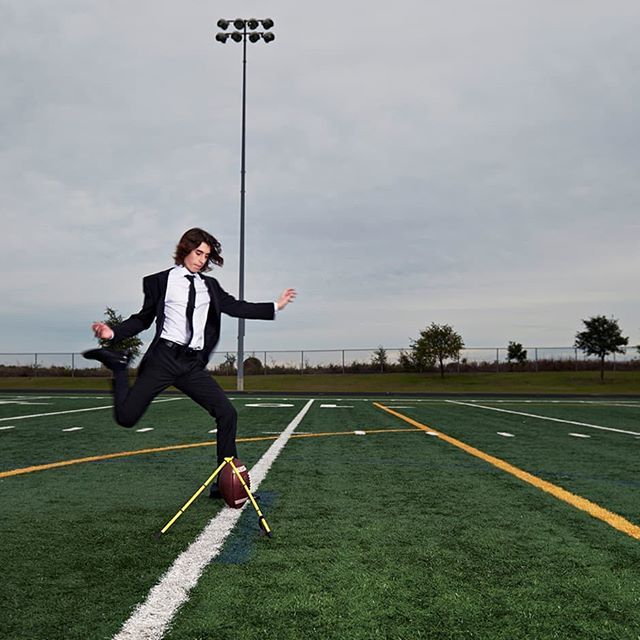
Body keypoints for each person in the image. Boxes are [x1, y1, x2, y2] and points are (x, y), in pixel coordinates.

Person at [83, 227, 296, 497]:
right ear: (185, 249)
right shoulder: (159, 281)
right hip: (163, 359)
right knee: (126, 417)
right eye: (198, 253)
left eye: (206, 256)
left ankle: (224, 482)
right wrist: (112, 333)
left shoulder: (210, 287)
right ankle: (119, 366)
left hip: (191, 364)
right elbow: (143, 319)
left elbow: (236, 307)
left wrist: (275, 306)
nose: (201, 260)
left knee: (227, 413)